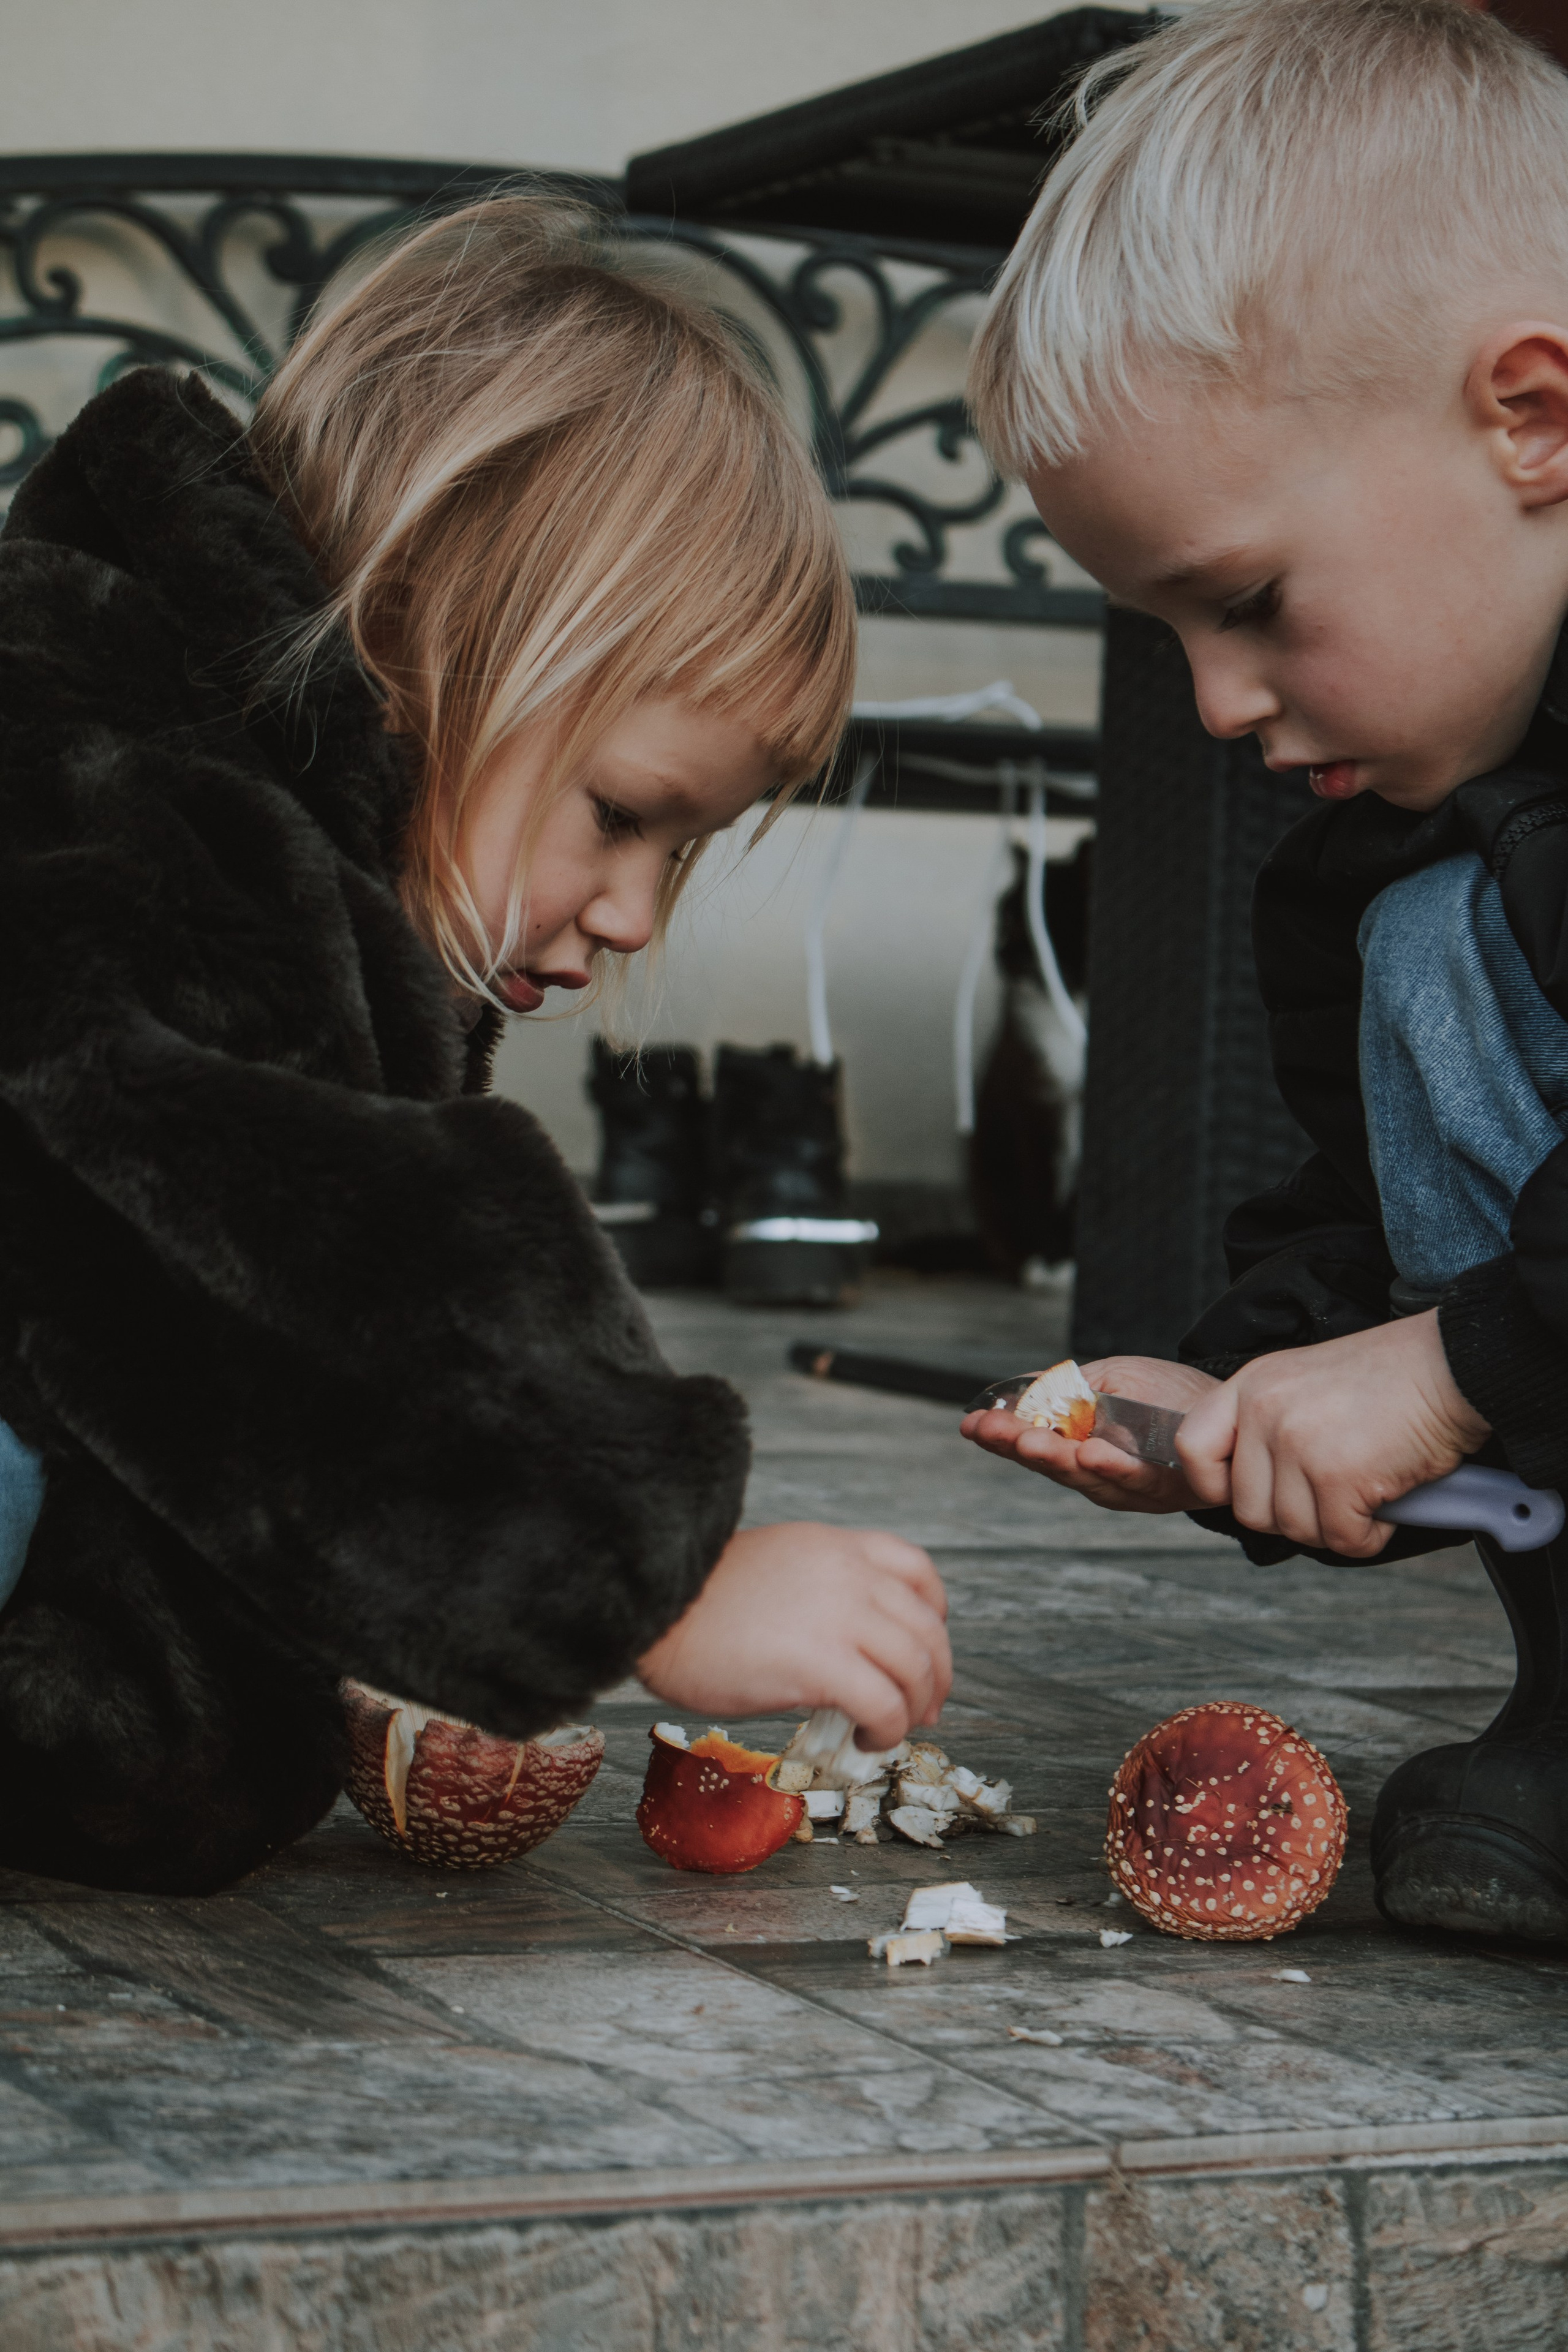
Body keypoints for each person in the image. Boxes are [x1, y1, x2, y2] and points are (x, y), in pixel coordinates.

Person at [0, 197, 950, 1894]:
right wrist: (642, 1576)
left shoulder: (267, 835)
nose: (637, 914)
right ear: (424, 636)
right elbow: (272, 1246)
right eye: (624, 815)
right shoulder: (111, 788)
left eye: (683, 855)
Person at [960, 0, 1568, 1940]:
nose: (1219, 702)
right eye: (1170, 638)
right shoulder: (1410, 866)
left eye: (1248, 602)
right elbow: (1384, 1220)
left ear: (1533, 417)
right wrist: (1238, 1395)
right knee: (1430, 946)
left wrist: (1458, 1371)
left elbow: (1462, 1339)